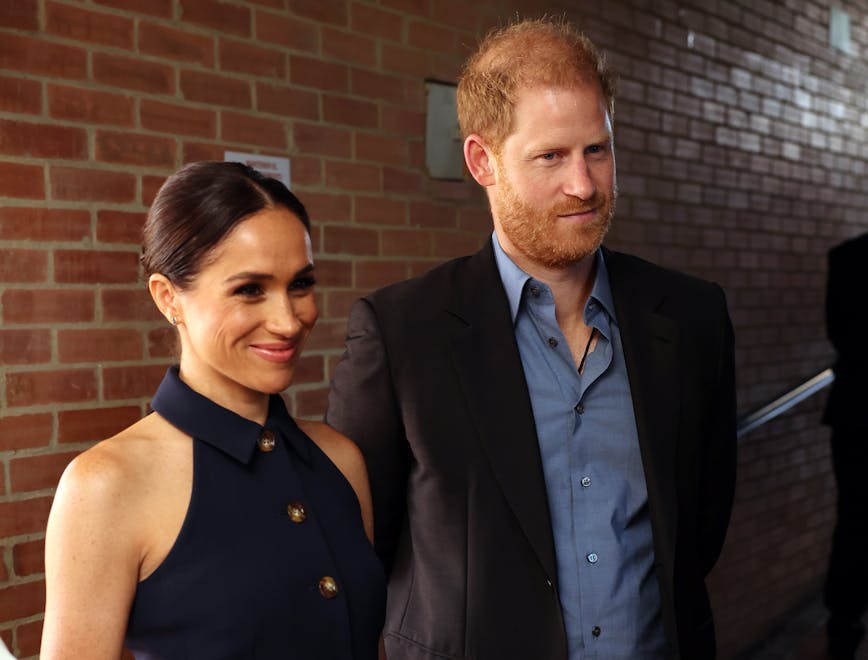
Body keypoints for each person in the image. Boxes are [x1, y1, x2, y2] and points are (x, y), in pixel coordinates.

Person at [326, 17, 736, 660]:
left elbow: (701, 524)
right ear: (482, 161)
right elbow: (356, 551)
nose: (584, 185)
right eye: (551, 156)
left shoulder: (692, 317)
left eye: (597, 150)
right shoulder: (401, 334)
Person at [41, 161, 385, 659]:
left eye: (300, 284)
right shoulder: (104, 484)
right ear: (168, 298)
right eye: (250, 290)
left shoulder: (340, 459)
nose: (289, 321)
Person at [822, 231, 868, 660]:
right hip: (856, 413)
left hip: (856, 411)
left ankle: (843, 625)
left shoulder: (847, 258)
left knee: (854, 520)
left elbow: (839, 335)